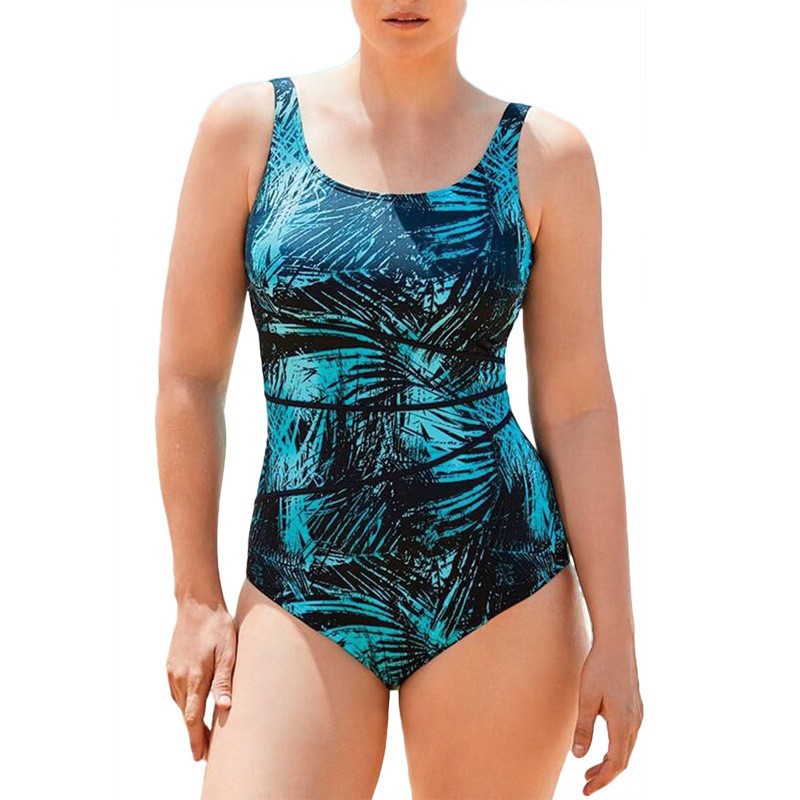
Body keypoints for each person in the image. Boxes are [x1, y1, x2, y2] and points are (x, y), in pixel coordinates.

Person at [156, 2, 643, 798]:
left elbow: (578, 406)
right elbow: (189, 377)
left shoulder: (546, 155)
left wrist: (617, 634)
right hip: (303, 582)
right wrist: (195, 596)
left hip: (499, 583)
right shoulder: (249, 132)